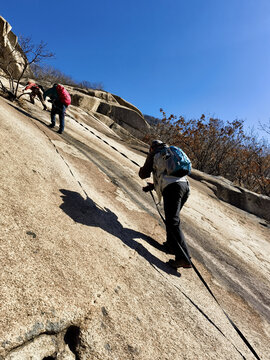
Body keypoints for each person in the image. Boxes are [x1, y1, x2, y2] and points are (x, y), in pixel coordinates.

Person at [139, 139, 192, 269]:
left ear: (152, 148)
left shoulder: (155, 154)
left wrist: (149, 157)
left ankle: (184, 258)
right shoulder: (170, 153)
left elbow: (143, 174)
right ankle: (171, 245)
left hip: (172, 189)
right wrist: (153, 186)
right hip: (184, 187)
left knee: (173, 221)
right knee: (172, 219)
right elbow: (167, 175)